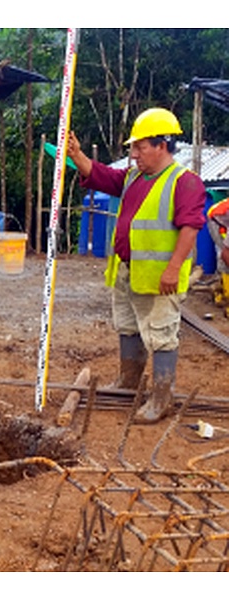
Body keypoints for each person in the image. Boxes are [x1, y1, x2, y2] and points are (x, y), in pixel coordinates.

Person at [67, 107, 207, 424]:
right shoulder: (133, 177)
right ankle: (129, 382)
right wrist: (76, 156)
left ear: (161, 145)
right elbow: (101, 175)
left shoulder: (185, 183)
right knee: (127, 327)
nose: (133, 154)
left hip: (160, 277)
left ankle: (161, 397)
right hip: (129, 270)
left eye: (139, 147)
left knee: (161, 335)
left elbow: (190, 228)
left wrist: (173, 269)